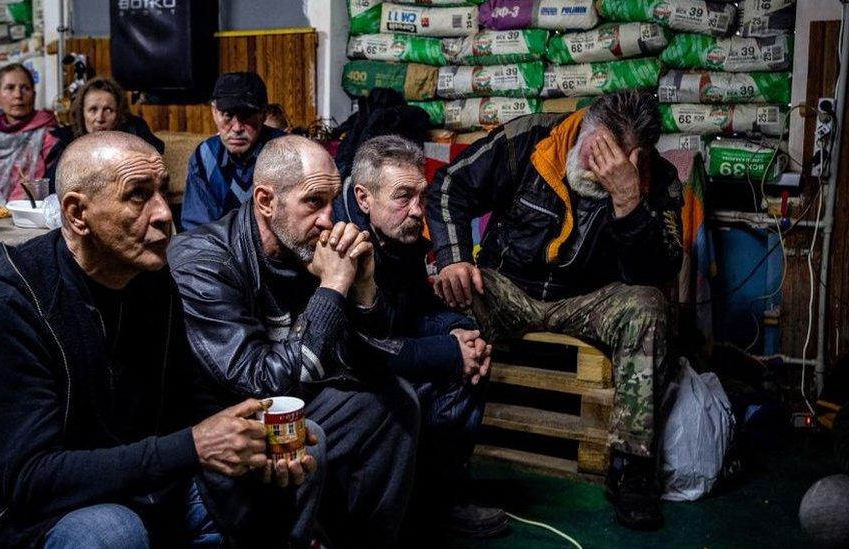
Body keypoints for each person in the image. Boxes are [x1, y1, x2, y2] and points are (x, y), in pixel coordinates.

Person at [0, 131, 322, 548]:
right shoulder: (12, 307)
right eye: (138, 196)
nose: (163, 214)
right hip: (0, 517)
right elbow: (32, 480)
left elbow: (183, 402)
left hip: (126, 485)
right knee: (110, 531)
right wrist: (192, 447)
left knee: (298, 444)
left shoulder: (151, 281)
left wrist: (244, 436)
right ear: (77, 213)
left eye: (163, 192)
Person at [427, 90, 684, 531]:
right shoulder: (529, 138)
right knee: (448, 294)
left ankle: (631, 469)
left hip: (588, 297)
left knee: (648, 306)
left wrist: (627, 203)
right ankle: (443, 469)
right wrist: (453, 257)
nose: (595, 167)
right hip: (509, 286)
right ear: (585, 125)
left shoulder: (656, 179)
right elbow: (449, 186)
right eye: (594, 150)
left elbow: (657, 271)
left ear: (636, 157)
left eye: (611, 162)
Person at [169, 135, 420, 548]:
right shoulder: (205, 259)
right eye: (313, 202)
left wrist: (364, 288)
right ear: (266, 201)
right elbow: (260, 385)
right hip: (224, 417)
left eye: (332, 202)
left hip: (296, 394)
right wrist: (334, 287)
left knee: (393, 402)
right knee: (306, 434)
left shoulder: (305, 248)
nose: (329, 219)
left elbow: (368, 365)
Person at [333, 135, 509, 540]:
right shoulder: (339, 241)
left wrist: (457, 332)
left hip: (385, 347)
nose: (417, 211)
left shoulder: (399, 233)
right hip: (344, 372)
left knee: (470, 345)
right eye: (403, 197)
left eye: (421, 195)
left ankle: (441, 495)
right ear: (363, 198)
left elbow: (414, 312)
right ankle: (405, 501)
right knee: (439, 367)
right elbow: (364, 350)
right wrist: (449, 350)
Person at [180, 71, 285, 229]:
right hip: (218, 250)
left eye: (247, 115)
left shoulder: (287, 152)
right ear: (214, 113)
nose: (237, 128)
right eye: (228, 115)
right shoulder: (205, 156)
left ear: (263, 114)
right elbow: (197, 229)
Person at [45, 76, 165, 192]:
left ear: (118, 114)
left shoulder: (135, 131)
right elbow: (52, 186)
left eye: (108, 110)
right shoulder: (69, 141)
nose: (100, 118)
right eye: (93, 109)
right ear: (82, 114)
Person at [0, 62, 58, 202]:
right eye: (10, 88)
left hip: (27, 215)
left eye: (25, 88)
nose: (18, 95)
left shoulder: (50, 136)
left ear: (34, 94)